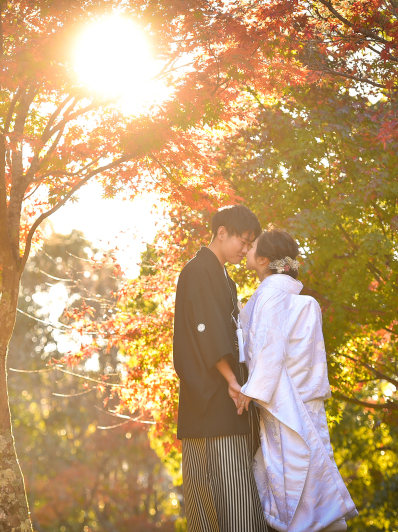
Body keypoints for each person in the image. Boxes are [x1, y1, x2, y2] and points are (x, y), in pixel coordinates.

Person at [235, 228, 358, 532]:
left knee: (293, 461)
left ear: (263, 260)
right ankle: (324, 519)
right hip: (299, 389)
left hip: (283, 394)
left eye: (252, 247)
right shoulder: (283, 290)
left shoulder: (271, 292)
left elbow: (269, 344)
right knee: (307, 455)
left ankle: (312, 523)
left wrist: (251, 390)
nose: (247, 249)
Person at [173, 205, 268, 532]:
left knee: (232, 492)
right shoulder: (198, 271)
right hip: (211, 397)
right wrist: (232, 381)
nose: (246, 249)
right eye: (243, 241)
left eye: (250, 243)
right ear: (222, 232)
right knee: (214, 492)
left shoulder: (224, 278)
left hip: (224, 397)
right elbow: (208, 331)